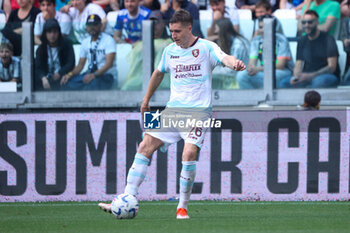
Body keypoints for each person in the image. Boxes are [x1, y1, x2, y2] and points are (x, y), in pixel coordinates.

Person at [98, 9, 245, 219]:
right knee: (144, 145)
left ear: (189, 28)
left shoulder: (205, 47)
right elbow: (158, 73)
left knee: (188, 153)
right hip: (172, 110)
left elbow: (225, 58)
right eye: (171, 31)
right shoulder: (169, 50)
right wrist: (146, 100)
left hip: (198, 113)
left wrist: (235, 63)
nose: (173, 35)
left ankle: (182, 207)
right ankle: (127, 197)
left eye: (177, 31)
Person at [280, 10, 339, 88]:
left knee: (318, 82)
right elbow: (299, 63)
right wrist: (296, 77)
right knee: (284, 83)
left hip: (326, 76)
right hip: (307, 76)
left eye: (310, 22)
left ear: (317, 22)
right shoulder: (302, 40)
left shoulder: (328, 39)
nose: (306, 25)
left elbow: (332, 67)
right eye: (304, 22)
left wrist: (310, 76)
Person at [236, 15, 294, 89]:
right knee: (241, 76)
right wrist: (251, 69)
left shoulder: (281, 40)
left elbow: (280, 65)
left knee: (269, 76)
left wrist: (258, 69)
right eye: (260, 27)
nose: (262, 30)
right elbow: (252, 63)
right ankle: (252, 98)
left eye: (265, 27)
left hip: (283, 71)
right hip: (264, 71)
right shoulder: (256, 40)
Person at [61, 14, 116, 90]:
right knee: (66, 83)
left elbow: (109, 64)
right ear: (86, 27)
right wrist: (69, 75)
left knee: (90, 87)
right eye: (89, 25)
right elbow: (80, 65)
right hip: (90, 74)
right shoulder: (85, 42)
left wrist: (94, 75)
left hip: (106, 76)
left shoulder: (109, 40)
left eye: (95, 24)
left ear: (100, 25)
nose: (92, 27)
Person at [121, 10, 171, 90]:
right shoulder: (142, 42)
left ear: (163, 24)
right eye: (151, 22)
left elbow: (164, 46)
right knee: (126, 88)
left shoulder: (169, 41)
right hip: (140, 80)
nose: (153, 25)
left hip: (162, 83)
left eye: (156, 22)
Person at [35, 19, 75, 90]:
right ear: (45, 34)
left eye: (55, 32)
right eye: (49, 32)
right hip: (47, 79)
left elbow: (70, 63)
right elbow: (38, 68)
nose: (52, 35)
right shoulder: (41, 49)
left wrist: (60, 73)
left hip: (63, 77)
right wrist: (43, 78)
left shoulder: (66, 45)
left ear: (59, 33)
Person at [210, 18, 249, 89]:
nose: (217, 36)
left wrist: (210, 70)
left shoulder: (238, 45)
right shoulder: (233, 41)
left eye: (218, 33)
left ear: (223, 31)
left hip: (239, 79)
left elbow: (232, 70)